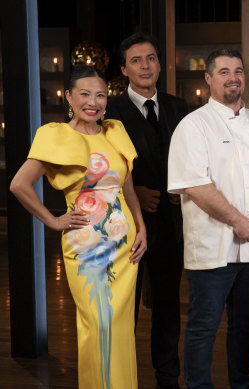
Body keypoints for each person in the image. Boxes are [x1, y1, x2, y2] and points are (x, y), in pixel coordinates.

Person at [10, 65, 146, 388]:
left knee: (121, 326)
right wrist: (54, 221)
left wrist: (141, 228)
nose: (93, 102)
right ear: (69, 97)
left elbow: (128, 189)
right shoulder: (55, 136)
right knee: (98, 324)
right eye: (84, 94)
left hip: (125, 246)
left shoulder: (115, 131)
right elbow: (19, 185)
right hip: (85, 248)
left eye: (100, 95)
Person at [167, 48, 249, 389]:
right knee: (204, 326)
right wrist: (239, 221)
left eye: (239, 71)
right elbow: (195, 185)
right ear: (208, 79)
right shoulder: (193, 126)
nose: (233, 77)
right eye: (224, 72)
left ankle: (243, 384)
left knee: (246, 323)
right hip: (213, 247)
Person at [105, 32, 187, 389]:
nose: (145, 65)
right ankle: (120, 377)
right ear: (124, 69)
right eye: (136, 60)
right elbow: (99, 166)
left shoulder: (179, 107)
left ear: (159, 64)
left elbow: (192, 160)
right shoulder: (109, 111)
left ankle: (167, 378)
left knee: (168, 307)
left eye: (151, 58)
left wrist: (181, 191)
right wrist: (132, 191)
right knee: (125, 305)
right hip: (124, 227)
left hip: (171, 225)